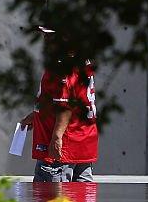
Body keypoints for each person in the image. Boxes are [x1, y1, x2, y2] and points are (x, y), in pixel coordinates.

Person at [19, 24, 97, 182]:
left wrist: (56, 138)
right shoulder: (81, 60)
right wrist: (36, 116)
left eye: (51, 36)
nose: (45, 40)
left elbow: (65, 104)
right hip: (82, 144)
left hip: (60, 148)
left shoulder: (61, 65)